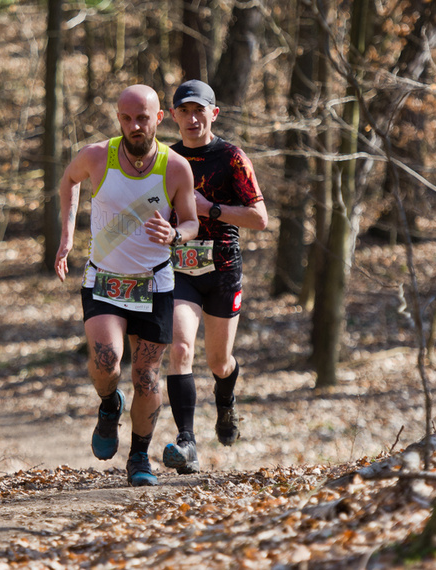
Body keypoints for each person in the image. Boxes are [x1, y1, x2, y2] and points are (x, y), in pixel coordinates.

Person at [54, 84, 199, 487]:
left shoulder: (175, 167)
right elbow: (68, 181)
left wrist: (175, 235)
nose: (135, 126)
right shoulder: (98, 156)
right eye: (127, 118)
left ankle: (138, 457)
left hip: (154, 284)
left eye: (143, 118)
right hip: (104, 279)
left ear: (159, 118)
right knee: (107, 363)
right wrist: (67, 234)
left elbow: (191, 221)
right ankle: (108, 404)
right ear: (119, 118)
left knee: (147, 375)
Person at [162, 79, 268, 474]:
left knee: (219, 362)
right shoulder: (165, 160)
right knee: (181, 350)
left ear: (213, 113)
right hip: (179, 269)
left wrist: (211, 209)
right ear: (173, 116)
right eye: (184, 111)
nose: (192, 119)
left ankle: (225, 403)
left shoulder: (232, 157)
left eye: (199, 111)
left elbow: (259, 218)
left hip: (223, 267)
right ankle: (186, 442)